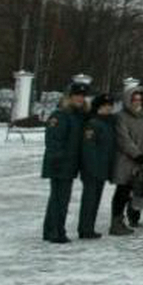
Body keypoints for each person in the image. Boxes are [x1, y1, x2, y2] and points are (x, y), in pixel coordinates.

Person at [42, 83, 87, 244]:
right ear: (69, 97)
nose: (80, 98)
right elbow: (53, 140)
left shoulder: (77, 115)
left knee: (59, 197)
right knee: (59, 198)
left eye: (82, 95)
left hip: (70, 163)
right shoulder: (60, 115)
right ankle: (56, 231)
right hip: (60, 163)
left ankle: (51, 230)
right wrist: (58, 159)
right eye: (77, 95)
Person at [110, 86, 143, 236]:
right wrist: (136, 154)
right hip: (125, 160)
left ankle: (129, 218)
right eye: (134, 99)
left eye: (139, 99)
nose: (137, 102)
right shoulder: (121, 116)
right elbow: (123, 138)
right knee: (122, 191)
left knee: (135, 192)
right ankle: (116, 222)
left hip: (140, 161)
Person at [77, 94, 115, 239]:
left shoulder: (108, 122)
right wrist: (91, 167)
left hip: (103, 167)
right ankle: (85, 228)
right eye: (105, 105)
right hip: (92, 169)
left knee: (95, 199)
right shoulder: (93, 123)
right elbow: (89, 148)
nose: (109, 108)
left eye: (110, 105)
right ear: (99, 106)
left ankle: (89, 227)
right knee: (89, 200)